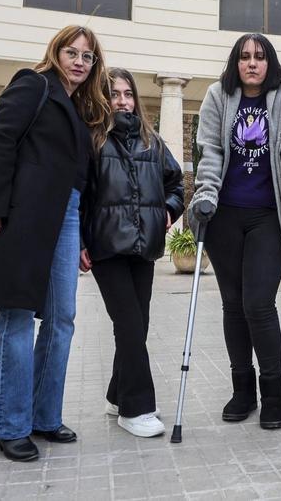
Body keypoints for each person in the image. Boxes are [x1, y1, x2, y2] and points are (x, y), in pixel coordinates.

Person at [0, 25, 108, 462]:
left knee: (63, 318)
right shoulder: (33, 85)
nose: (80, 62)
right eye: (72, 52)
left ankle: (44, 416)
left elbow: (80, 177)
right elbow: (0, 144)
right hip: (24, 215)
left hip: (67, 217)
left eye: (88, 56)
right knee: (18, 314)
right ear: (55, 52)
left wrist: (82, 235)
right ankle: (9, 425)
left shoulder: (82, 109)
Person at [188, 33, 281, 430]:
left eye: (259, 57)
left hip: (268, 216)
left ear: (270, 62)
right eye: (244, 57)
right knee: (232, 304)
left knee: (258, 304)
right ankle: (242, 390)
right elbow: (210, 150)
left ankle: (273, 391)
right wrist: (205, 193)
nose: (252, 63)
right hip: (225, 214)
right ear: (235, 63)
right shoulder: (217, 96)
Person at [78, 68, 185, 438]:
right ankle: (136, 408)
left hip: (144, 247)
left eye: (128, 94)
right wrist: (79, 241)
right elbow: (77, 195)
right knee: (128, 323)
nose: (123, 101)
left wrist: (168, 212)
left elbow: (176, 182)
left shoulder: (150, 141)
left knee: (138, 323)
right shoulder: (91, 140)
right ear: (101, 98)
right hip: (107, 247)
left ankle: (116, 393)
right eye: (114, 94)